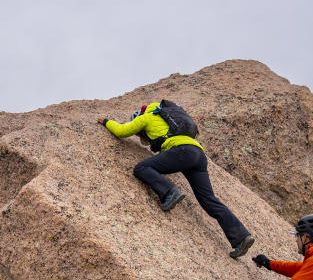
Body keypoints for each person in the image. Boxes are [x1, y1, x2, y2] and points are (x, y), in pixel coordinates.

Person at [98, 101, 255, 259]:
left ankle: (169, 193)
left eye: (140, 134)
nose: (141, 137)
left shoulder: (146, 117)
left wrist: (106, 122)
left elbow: (121, 131)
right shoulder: (166, 118)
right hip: (198, 155)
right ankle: (241, 237)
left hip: (182, 151)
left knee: (141, 168)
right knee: (208, 199)